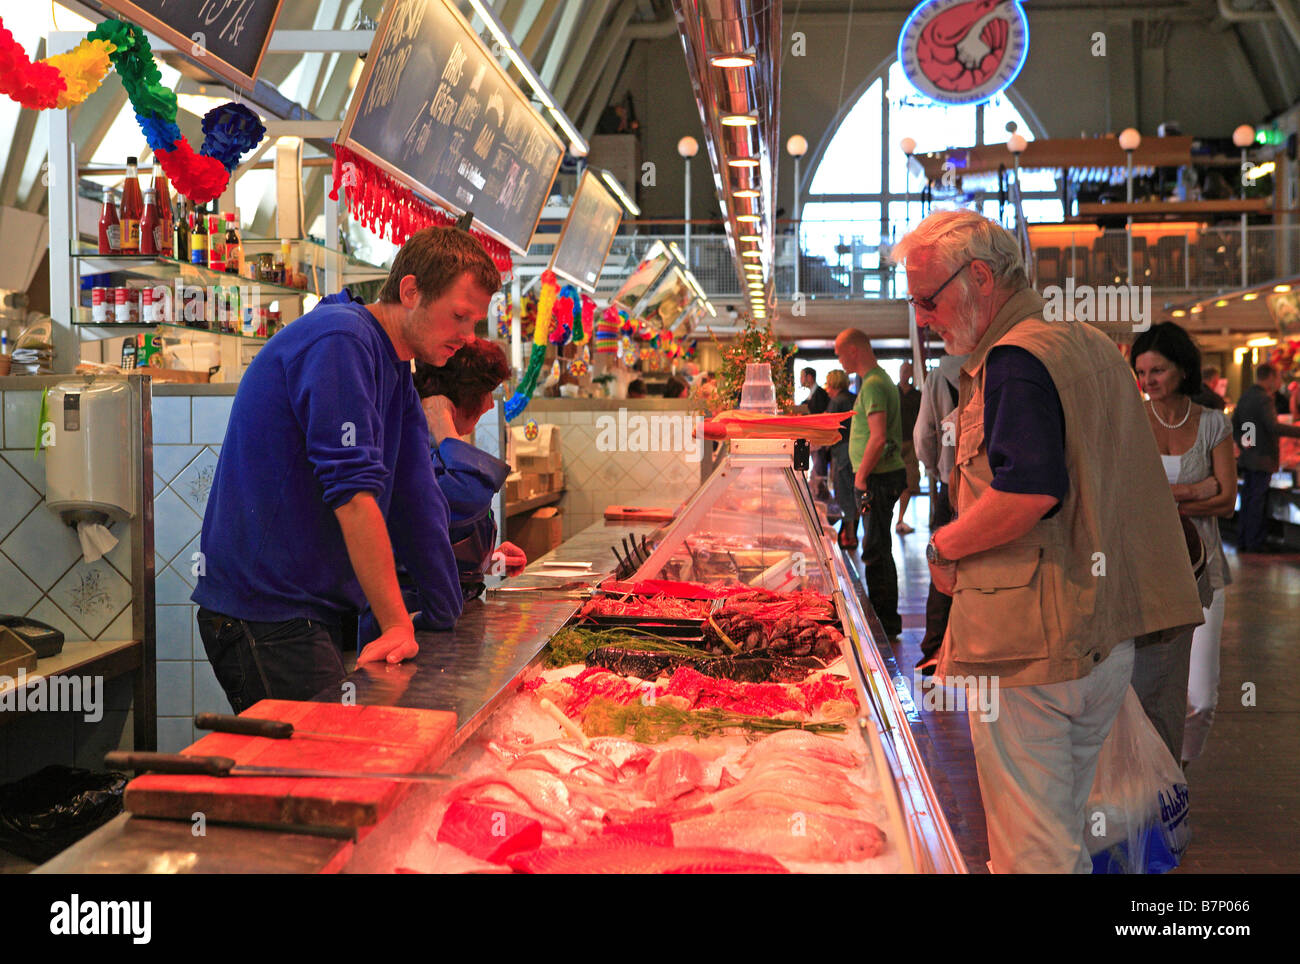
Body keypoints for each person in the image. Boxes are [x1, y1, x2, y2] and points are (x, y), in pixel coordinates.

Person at [892, 210, 1202, 873]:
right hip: (1101, 638)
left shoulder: (1015, 359)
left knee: (1031, 848)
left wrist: (943, 546)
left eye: (928, 298)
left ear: (978, 277)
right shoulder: (1084, 341)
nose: (923, 317)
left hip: (1032, 647)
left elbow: (1030, 490)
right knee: (1064, 833)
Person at [193, 226, 500, 712]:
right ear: (411, 291)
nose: (467, 337)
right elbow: (354, 496)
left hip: (314, 610)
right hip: (265, 611)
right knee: (323, 776)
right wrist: (399, 623)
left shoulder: (396, 367)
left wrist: (448, 619)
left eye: (475, 322)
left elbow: (416, 498)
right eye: (459, 317)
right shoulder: (341, 338)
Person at [1131, 323, 1236, 767]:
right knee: (1139, 687)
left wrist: (1161, 501)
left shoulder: (1214, 422)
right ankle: (1150, 778)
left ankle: (1178, 773)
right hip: (1141, 572)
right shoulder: (1131, 421)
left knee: (1200, 696)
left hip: (1203, 571)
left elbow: (1228, 501)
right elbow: (1127, 493)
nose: (1148, 381)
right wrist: (1195, 491)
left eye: (1157, 370)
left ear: (1181, 370)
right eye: (1141, 372)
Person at [834, 328, 906, 638]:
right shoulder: (876, 381)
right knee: (877, 546)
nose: (838, 360)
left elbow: (877, 437)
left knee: (875, 548)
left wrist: (860, 477)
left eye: (840, 353)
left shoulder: (875, 384)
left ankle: (883, 623)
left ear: (853, 351)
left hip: (877, 478)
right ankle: (883, 618)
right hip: (879, 476)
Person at [913, 351, 966, 676]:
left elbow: (923, 436)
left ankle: (935, 648)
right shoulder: (999, 363)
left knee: (942, 558)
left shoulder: (937, 377)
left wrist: (936, 469)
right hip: (995, 488)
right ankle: (975, 647)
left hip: (950, 483)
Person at [1232, 363, 1300, 552]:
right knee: (1256, 502)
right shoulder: (1263, 399)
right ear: (1270, 377)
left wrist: (1247, 444)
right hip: (1262, 458)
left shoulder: (1245, 396)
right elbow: (1273, 426)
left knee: (1248, 500)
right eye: (1278, 377)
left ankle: (1244, 540)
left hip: (1250, 458)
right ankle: (1255, 542)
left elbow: (1236, 424)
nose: (1279, 382)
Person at [825, 369, 857, 547]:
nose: (827, 389)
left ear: (834, 384)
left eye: (828, 384)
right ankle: (852, 532)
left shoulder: (836, 402)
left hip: (841, 451)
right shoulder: (854, 398)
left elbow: (829, 427)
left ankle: (848, 535)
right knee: (853, 491)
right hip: (855, 450)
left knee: (843, 492)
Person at [896, 360, 923, 535]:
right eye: (903, 370)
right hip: (893, 442)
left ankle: (900, 519)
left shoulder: (917, 395)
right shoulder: (892, 392)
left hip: (911, 442)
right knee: (891, 482)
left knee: (909, 482)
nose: (906, 373)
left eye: (908, 371)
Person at [800, 367, 831, 500]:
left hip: (819, 440)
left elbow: (818, 415)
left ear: (809, 377)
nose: (800, 380)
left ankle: (821, 502)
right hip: (814, 439)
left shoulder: (820, 394)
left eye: (802, 376)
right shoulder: (812, 394)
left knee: (819, 473)